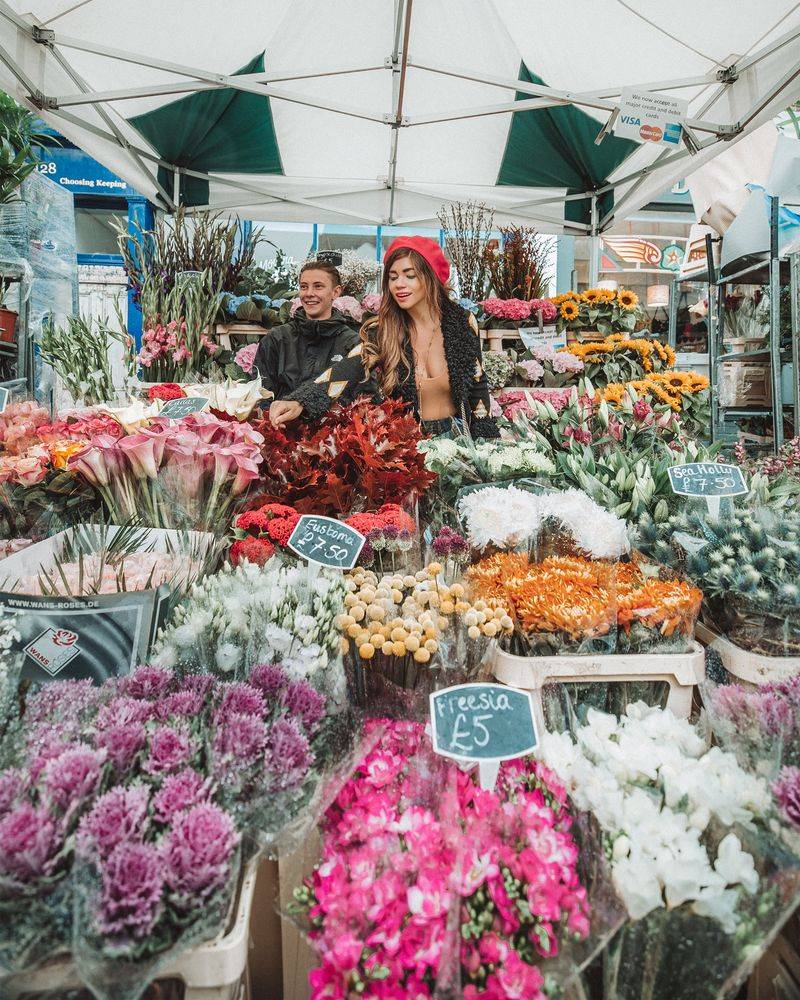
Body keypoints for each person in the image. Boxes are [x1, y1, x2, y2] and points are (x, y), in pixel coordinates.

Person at [270, 236, 499, 439]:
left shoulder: (461, 322)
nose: (399, 284)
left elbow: (477, 384)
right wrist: (301, 400)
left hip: (458, 438)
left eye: (410, 276)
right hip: (408, 442)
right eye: (392, 277)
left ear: (431, 278)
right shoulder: (384, 330)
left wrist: (487, 443)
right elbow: (347, 368)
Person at [254, 259, 367, 428]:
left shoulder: (352, 343)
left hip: (333, 441)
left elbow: (362, 399)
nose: (309, 293)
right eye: (304, 286)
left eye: (318, 286)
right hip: (282, 435)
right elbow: (259, 392)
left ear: (336, 292)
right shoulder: (277, 338)